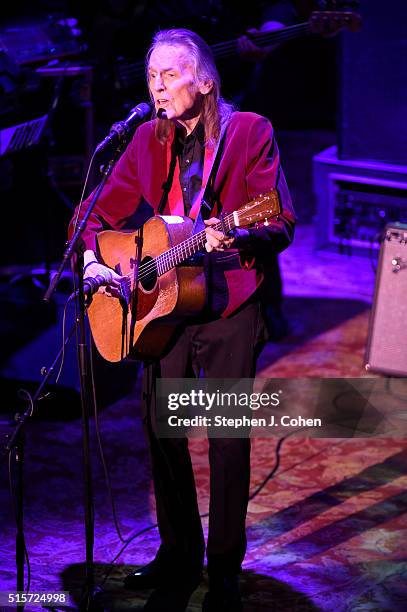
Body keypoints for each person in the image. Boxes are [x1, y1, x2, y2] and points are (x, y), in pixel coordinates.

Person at [70, 28, 295, 612]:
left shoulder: (250, 132)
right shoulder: (148, 137)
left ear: (204, 81)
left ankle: (223, 567)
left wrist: (237, 230)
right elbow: (97, 213)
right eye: (151, 77)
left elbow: (281, 220)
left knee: (225, 439)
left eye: (169, 75)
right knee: (160, 425)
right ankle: (177, 554)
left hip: (227, 307)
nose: (157, 87)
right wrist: (96, 262)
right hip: (162, 305)